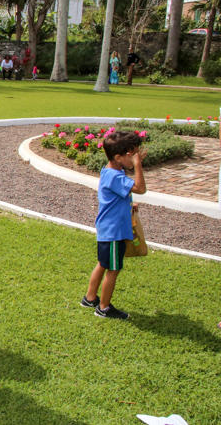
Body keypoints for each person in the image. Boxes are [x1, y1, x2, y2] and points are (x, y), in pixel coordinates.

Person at [81, 131, 147, 320]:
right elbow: (141, 188)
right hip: (114, 232)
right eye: (132, 154)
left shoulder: (110, 172)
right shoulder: (116, 177)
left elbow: (116, 195)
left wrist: (128, 203)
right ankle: (104, 308)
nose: (134, 158)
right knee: (113, 269)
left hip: (108, 229)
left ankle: (90, 298)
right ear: (118, 157)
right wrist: (138, 165)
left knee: (103, 264)